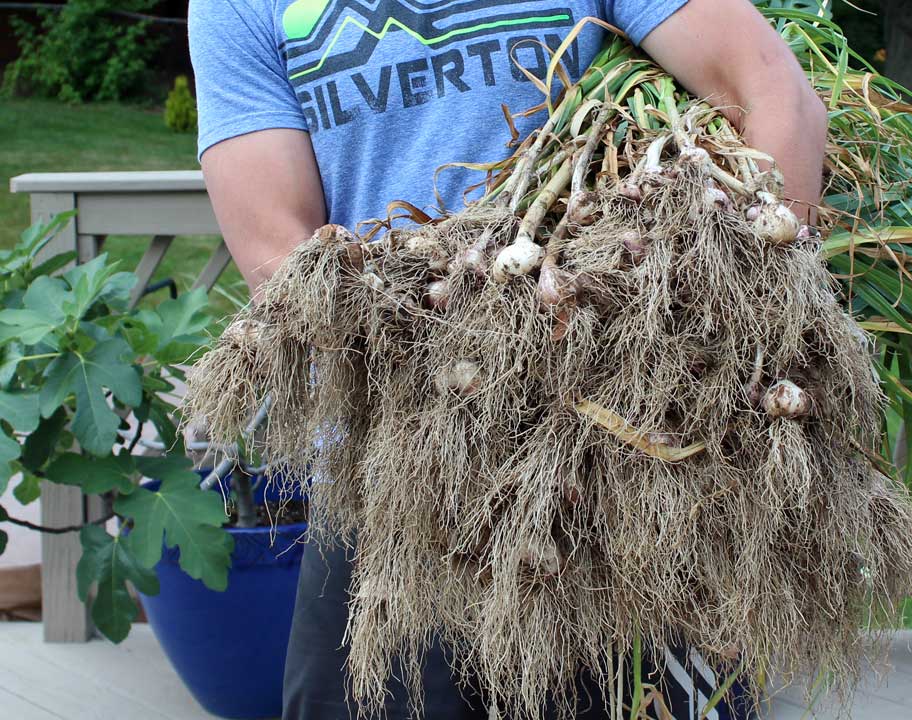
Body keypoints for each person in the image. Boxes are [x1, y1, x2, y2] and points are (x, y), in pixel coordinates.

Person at [188, 1, 828, 717]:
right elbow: (282, 256)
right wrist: (462, 400)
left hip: (628, 467)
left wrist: (758, 327)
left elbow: (772, 91)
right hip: (396, 474)